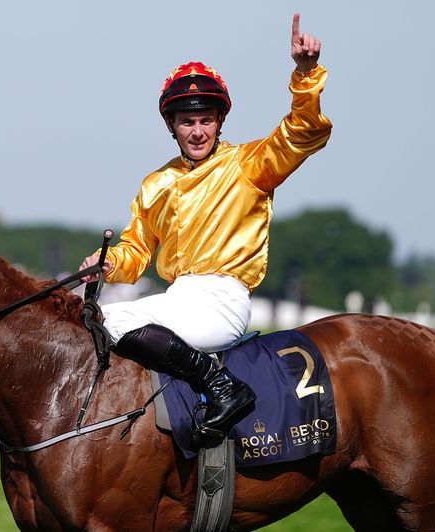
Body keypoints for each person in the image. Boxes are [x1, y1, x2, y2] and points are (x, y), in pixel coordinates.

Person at [79, 13, 332, 440]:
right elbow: (136, 250)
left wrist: (305, 73)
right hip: (179, 297)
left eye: (206, 120)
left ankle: (221, 387)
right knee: (94, 317)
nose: (197, 131)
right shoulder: (156, 184)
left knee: (107, 323)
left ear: (220, 121)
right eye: (187, 121)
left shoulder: (248, 164)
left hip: (222, 300)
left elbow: (303, 133)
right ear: (171, 126)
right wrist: (107, 265)